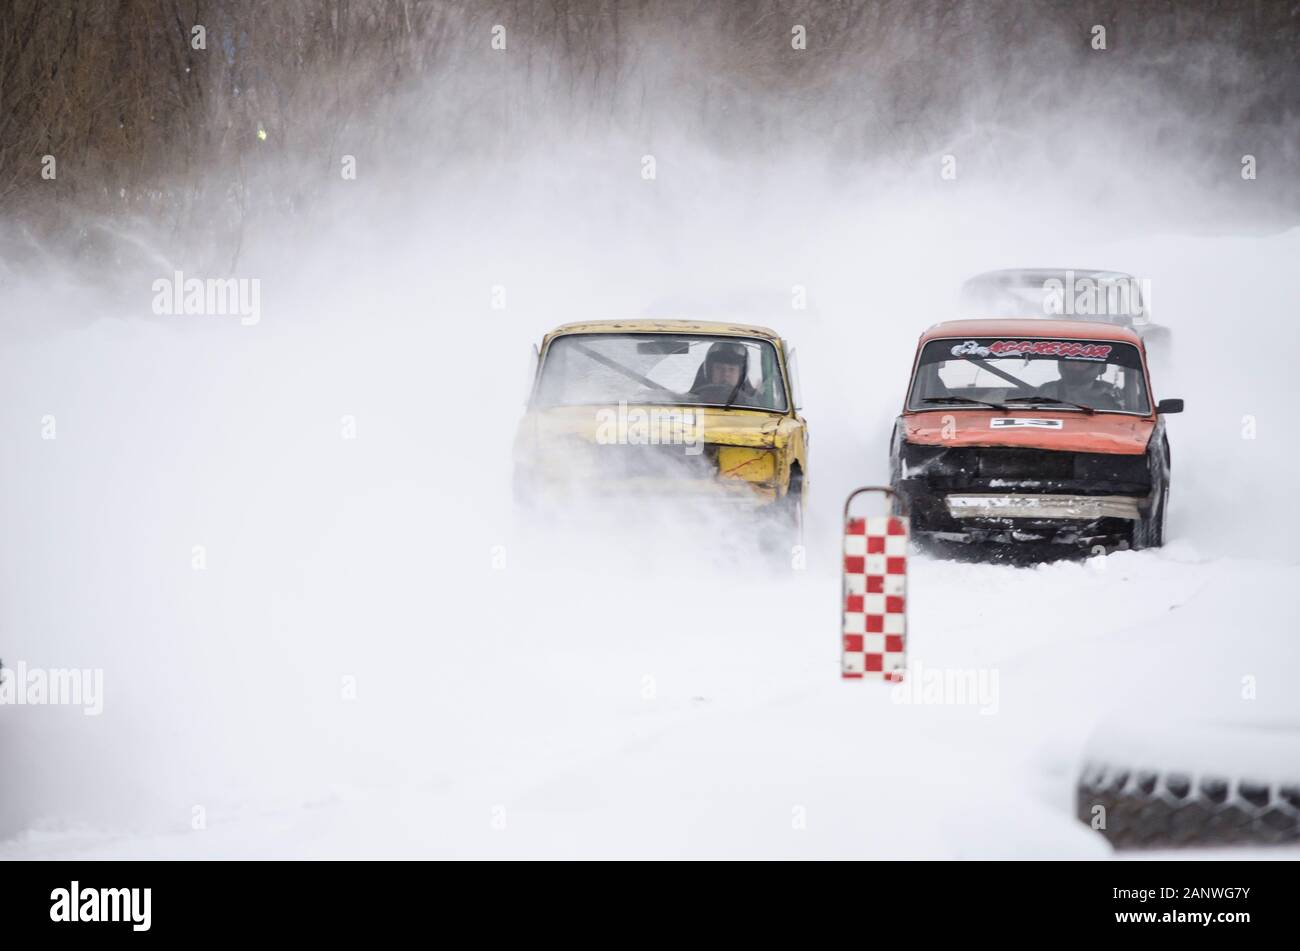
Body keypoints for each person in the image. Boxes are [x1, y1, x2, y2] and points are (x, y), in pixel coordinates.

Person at [690, 341, 757, 403]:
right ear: (710, 371)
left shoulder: (754, 404)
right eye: (719, 368)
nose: (725, 374)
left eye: (731, 369)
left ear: (741, 374)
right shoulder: (695, 401)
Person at [1048, 358, 1123, 409]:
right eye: (1070, 360)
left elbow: (1123, 421)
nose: (1076, 364)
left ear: (1094, 365)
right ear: (1062, 363)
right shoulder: (1047, 390)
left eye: (1082, 361)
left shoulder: (1111, 393)